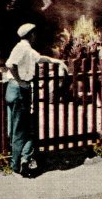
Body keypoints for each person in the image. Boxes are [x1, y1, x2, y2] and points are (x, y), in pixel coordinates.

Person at [5, 23, 65, 176]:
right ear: (31, 35)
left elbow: (39, 58)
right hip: (19, 90)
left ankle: (18, 161)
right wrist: (20, 81)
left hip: (11, 90)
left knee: (14, 127)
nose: (36, 36)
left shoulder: (23, 48)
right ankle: (19, 164)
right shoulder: (24, 49)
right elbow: (11, 65)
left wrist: (56, 61)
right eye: (34, 34)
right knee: (22, 128)